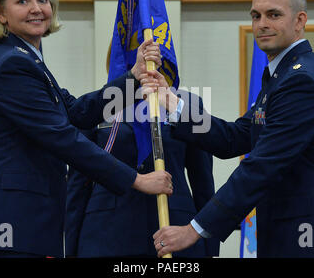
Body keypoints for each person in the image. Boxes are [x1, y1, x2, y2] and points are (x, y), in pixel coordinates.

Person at [0, 0, 172, 258]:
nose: (36, 8)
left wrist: (134, 78)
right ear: (2, 13)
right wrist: (137, 180)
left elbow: (77, 111)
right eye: (23, 1)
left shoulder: (27, 60)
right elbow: (64, 137)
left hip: (26, 226)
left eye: (43, 0)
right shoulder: (12, 65)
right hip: (5, 227)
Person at [146, 0, 314, 257]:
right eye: (255, 15)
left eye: (274, 15)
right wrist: (174, 104)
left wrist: (194, 229)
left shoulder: (302, 81)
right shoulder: (282, 75)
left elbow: (261, 167)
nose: (262, 23)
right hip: (291, 235)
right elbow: (234, 138)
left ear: (300, 20)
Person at [65, 54, 220, 257]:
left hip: (175, 231)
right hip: (106, 236)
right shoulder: (92, 107)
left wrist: (210, 245)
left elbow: (203, 184)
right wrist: (70, 248)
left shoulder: (189, 104)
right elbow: (78, 185)